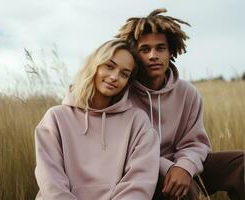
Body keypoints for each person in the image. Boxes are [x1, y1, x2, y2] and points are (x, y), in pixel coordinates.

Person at [116, 8, 245, 200]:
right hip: (140, 173)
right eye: (145, 49)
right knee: (185, 190)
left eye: (160, 48)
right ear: (135, 55)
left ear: (171, 52)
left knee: (243, 162)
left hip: (180, 164)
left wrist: (184, 167)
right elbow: (125, 152)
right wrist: (171, 169)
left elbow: (195, 143)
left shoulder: (188, 93)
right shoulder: (122, 95)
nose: (153, 55)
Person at [34, 39, 160, 200]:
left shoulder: (137, 121)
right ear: (95, 65)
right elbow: (50, 180)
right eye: (109, 66)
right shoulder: (56, 118)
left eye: (124, 74)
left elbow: (139, 181)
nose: (115, 77)